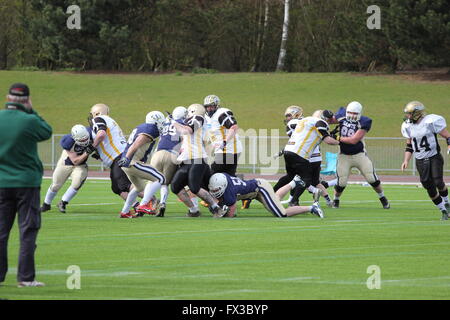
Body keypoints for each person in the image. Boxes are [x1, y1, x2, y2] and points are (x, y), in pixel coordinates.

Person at [0, 83, 52, 287]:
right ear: (27, 100)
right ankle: (26, 277)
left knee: (1, 231)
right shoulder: (30, 121)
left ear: (7, 97)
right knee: (28, 230)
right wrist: (32, 110)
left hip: (2, 182)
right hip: (27, 183)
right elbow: (47, 131)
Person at [329, 101, 390, 209]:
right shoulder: (342, 116)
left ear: (360, 113)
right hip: (344, 155)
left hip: (359, 155)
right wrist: (326, 117)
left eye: (355, 113)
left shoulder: (364, 121)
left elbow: (354, 140)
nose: (352, 115)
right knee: (341, 182)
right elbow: (330, 120)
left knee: (372, 178)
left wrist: (337, 137)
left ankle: (383, 198)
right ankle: (336, 199)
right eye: (350, 112)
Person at [170, 103, 227, 217]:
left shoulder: (198, 118)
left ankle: (216, 208)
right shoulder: (196, 121)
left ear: (193, 111)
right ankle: (193, 210)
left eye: (188, 112)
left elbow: (186, 131)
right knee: (175, 186)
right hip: (187, 159)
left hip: (197, 158)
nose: (186, 115)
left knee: (194, 187)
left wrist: (174, 122)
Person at [274, 107, 333, 207]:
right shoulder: (309, 122)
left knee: (301, 179)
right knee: (301, 179)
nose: (288, 118)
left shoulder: (300, 122)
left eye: (289, 115)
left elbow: (298, 135)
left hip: (308, 156)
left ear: (296, 115)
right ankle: (302, 199)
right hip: (309, 156)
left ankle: (293, 199)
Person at [400, 101, 450, 220]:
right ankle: (443, 210)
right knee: (428, 185)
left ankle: (447, 202)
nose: (408, 116)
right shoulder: (407, 126)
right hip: (420, 160)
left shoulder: (430, 122)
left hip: (434, 156)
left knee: (438, 181)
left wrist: (449, 146)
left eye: (410, 114)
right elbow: (409, 146)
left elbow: (447, 136)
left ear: (417, 113)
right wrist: (406, 160)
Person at [208, 173, 324, 218]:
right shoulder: (222, 179)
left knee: (281, 213)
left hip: (260, 189)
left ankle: (312, 208)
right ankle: (294, 183)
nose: (215, 191)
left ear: (223, 185)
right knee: (276, 200)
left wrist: (219, 215)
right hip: (256, 188)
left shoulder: (228, 191)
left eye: (217, 189)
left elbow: (232, 213)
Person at [118, 111, 166, 218]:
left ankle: (125, 212)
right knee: (161, 178)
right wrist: (127, 158)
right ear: (156, 121)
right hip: (133, 161)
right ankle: (144, 204)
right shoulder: (151, 128)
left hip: (127, 163)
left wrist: (126, 158)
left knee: (138, 188)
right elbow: (136, 143)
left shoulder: (142, 127)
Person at [40, 125, 94, 214]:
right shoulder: (68, 141)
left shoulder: (92, 134)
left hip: (81, 165)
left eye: (86, 139)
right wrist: (87, 152)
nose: (85, 141)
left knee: (77, 182)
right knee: (56, 184)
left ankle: (63, 202)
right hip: (66, 162)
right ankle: (46, 204)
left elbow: (98, 142)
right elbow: (75, 161)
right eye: (82, 140)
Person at [88, 103, 131, 200]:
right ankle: (136, 205)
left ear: (97, 112)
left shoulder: (98, 119)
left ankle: (151, 200)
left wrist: (92, 146)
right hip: (121, 154)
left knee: (123, 184)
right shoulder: (110, 120)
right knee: (116, 187)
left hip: (118, 155)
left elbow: (101, 134)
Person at [149, 106, 187, 217]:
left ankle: (145, 204)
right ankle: (162, 203)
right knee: (165, 183)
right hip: (171, 154)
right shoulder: (182, 124)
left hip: (157, 153)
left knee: (152, 181)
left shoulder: (166, 123)